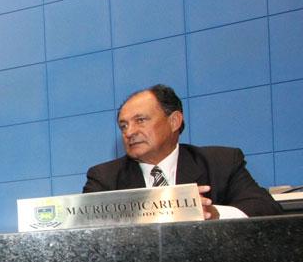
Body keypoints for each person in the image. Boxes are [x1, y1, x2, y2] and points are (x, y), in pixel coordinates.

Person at [83, 84, 282, 218]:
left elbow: (266, 209)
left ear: (174, 121)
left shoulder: (221, 163)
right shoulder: (104, 179)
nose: (129, 132)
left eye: (140, 120)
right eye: (123, 126)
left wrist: (213, 213)